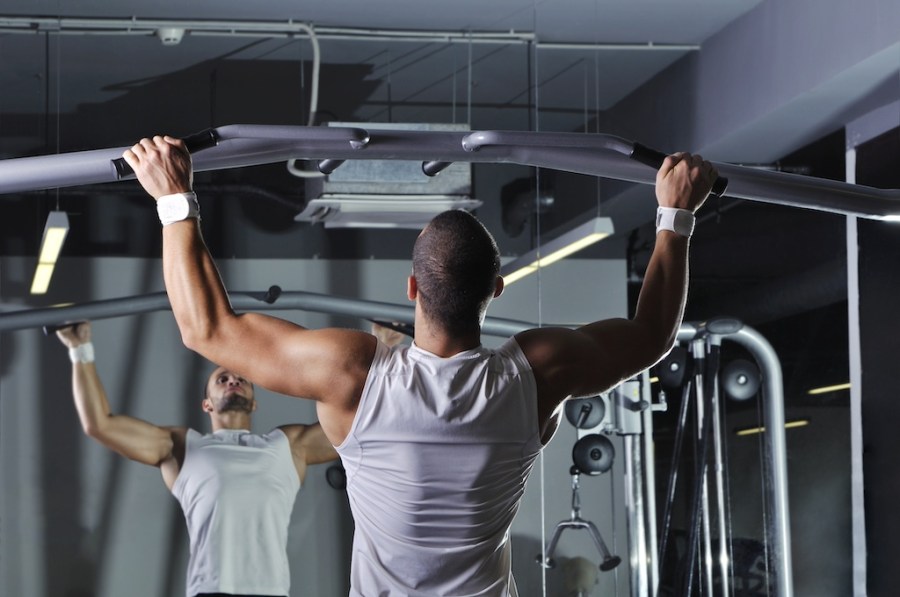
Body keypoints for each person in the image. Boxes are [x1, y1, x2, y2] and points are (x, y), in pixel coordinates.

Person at [123, 135, 716, 596]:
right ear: (497, 290)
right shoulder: (537, 372)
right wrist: (675, 217)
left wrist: (173, 198)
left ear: (412, 288)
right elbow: (651, 335)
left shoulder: (353, 374)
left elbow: (205, 329)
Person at [55, 321, 339, 597]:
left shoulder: (288, 447)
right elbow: (100, 425)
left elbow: (358, 428)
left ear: (254, 403)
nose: (232, 380)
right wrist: (80, 349)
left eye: (241, 379)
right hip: (211, 591)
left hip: (271, 592)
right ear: (207, 404)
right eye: (222, 379)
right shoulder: (183, 447)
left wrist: (385, 358)